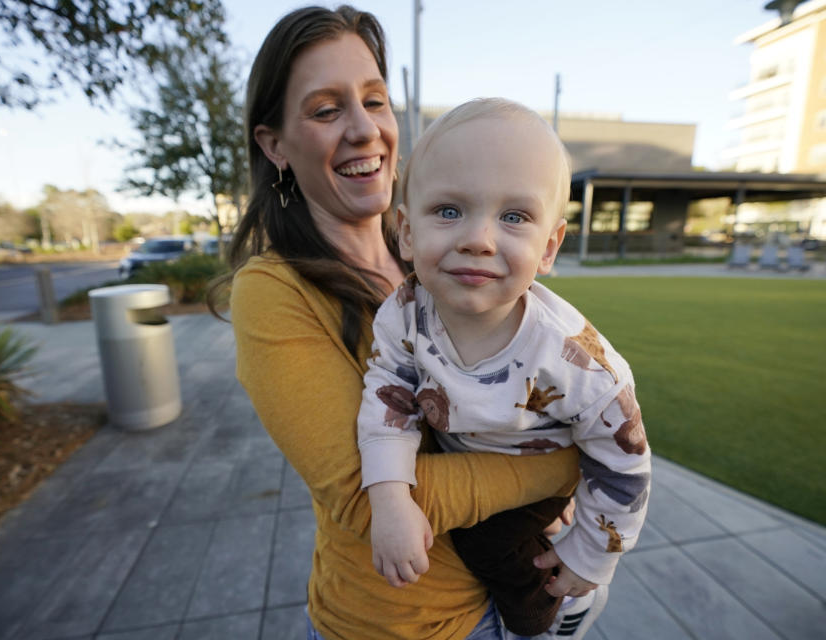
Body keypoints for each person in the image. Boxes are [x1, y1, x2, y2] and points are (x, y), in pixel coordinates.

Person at [221, 5, 586, 639]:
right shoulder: (273, 292)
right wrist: (566, 465)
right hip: (400, 624)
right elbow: (369, 498)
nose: (365, 130)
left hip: (512, 588)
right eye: (326, 109)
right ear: (275, 145)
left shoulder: (427, 252)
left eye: (375, 100)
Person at [356, 99, 652, 637]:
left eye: (514, 216)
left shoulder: (575, 359)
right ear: (404, 231)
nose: (479, 238)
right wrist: (389, 498)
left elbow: (625, 464)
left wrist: (590, 556)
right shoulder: (403, 315)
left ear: (549, 247)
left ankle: (549, 615)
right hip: (469, 450)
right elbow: (388, 405)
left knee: (487, 547)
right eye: (448, 210)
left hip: (538, 476)